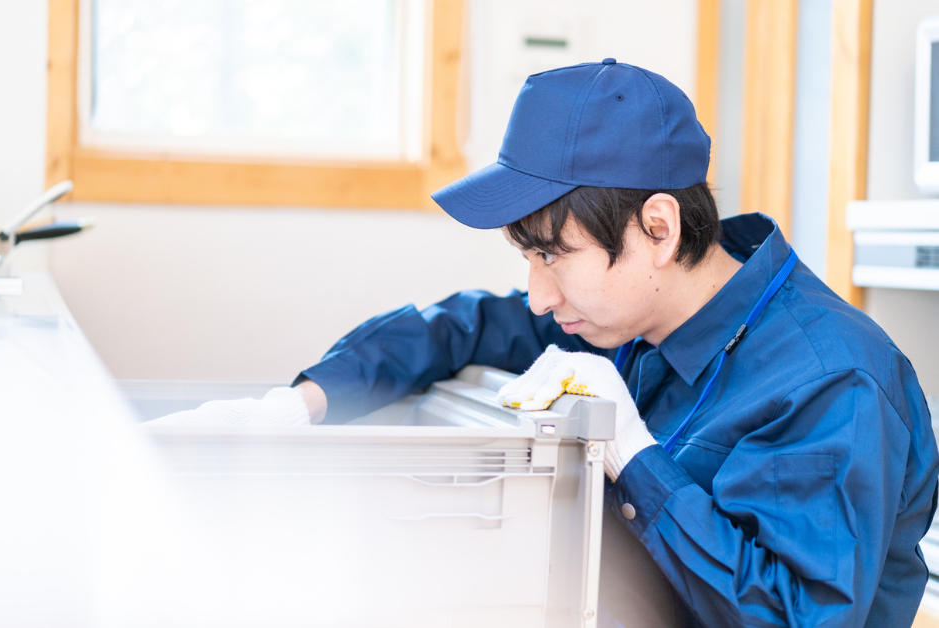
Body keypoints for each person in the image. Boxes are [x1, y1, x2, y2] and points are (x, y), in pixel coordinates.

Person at [173, 60, 939, 627]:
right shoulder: (625, 312)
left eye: (552, 255)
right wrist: (300, 404)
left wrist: (636, 457)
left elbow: (793, 617)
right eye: (527, 259)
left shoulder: (829, 383)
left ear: (659, 229)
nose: (540, 295)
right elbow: (461, 325)